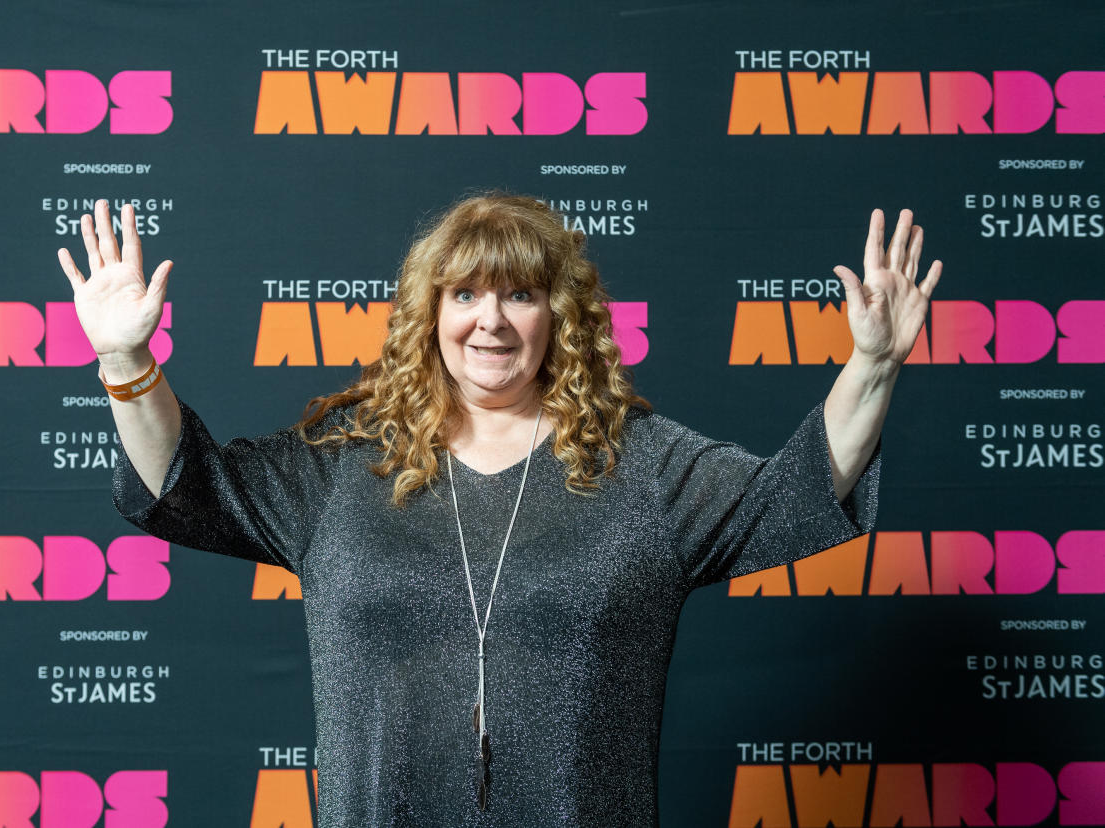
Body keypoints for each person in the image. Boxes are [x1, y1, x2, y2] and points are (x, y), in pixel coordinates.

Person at [57, 193, 941, 826]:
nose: (492, 321)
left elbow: (796, 490)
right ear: (429, 313)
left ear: (561, 317)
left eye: (521, 293)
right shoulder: (339, 469)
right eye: (466, 294)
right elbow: (183, 478)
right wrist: (127, 360)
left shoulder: (643, 468)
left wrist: (873, 364)